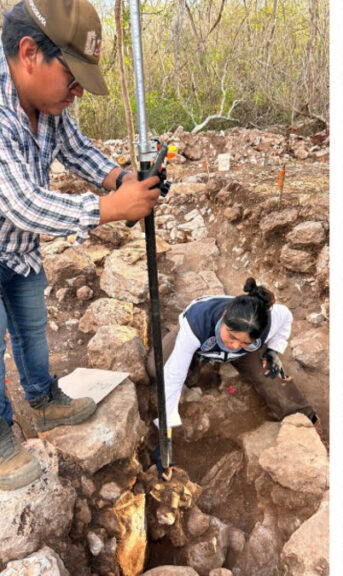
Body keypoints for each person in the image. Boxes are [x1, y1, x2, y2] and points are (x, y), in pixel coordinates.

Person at [0, 0, 163, 490]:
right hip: (17, 222)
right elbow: (24, 204)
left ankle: (44, 400)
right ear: (29, 53)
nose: (76, 93)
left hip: (16, 248)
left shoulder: (48, 105)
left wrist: (119, 178)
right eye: (71, 78)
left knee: (31, 328)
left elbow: (75, 148)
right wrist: (111, 208)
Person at [146, 278, 318, 473]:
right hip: (200, 341)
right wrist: (165, 437)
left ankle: (307, 419)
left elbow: (286, 316)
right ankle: (195, 364)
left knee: (269, 375)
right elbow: (172, 378)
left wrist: (273, 350)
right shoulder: (197, 324)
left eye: (244, 341)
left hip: (244, 354)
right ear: (225, 315)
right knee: (157, 368)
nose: (234, 344)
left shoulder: (266, 324)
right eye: (232, 336)